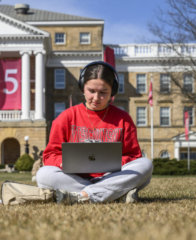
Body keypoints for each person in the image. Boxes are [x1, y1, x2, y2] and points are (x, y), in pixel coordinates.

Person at [36, 61, 153, 205]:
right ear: (82, 88)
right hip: (74, 177)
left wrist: (111, 163)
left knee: (145, 165)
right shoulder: (65, 117)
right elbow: (49, 155)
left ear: (113, 91)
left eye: (103, 92)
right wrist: (65, 163)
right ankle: (113, 194)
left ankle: (82, 195)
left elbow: (134, 157)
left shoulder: (123, 119)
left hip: (111, 177)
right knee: (43, 175)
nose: (96, 98)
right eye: (91, 91)